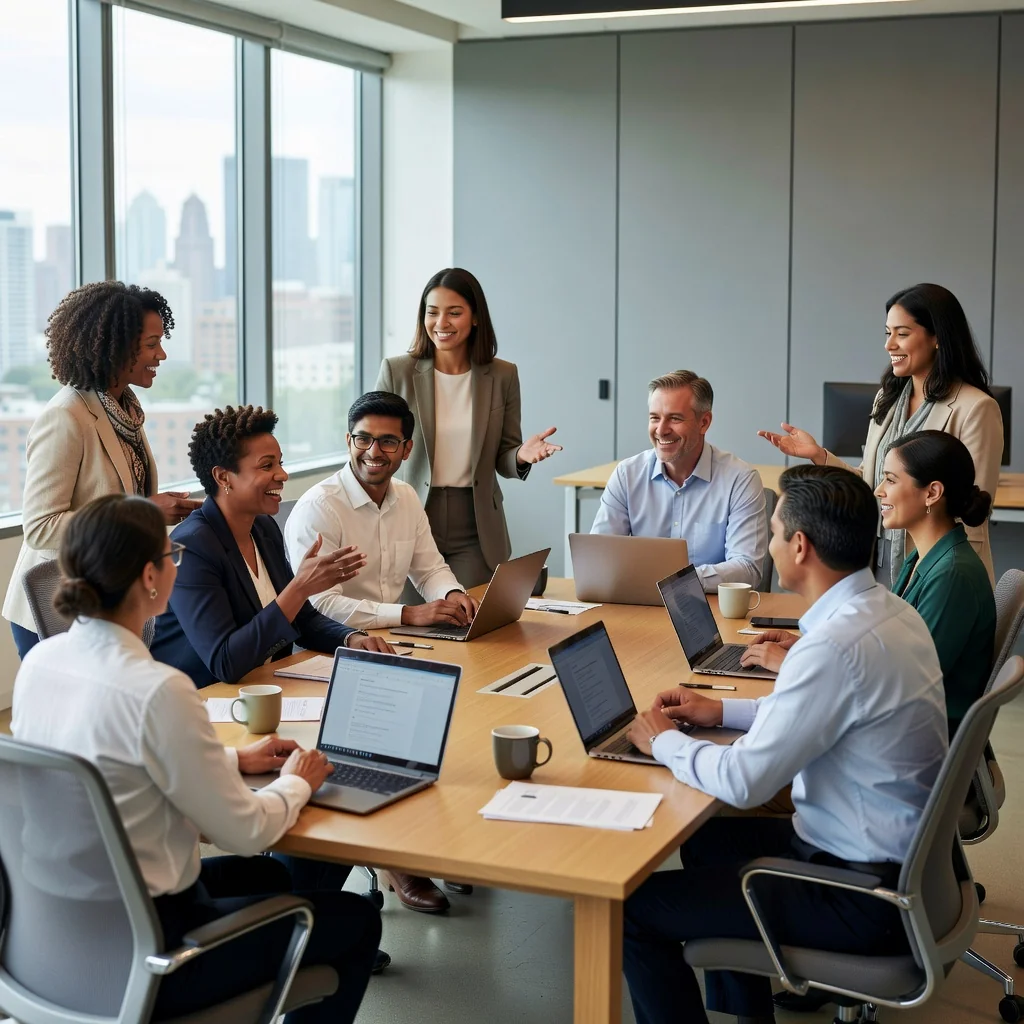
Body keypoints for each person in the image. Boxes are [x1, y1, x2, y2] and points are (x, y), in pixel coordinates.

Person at [11, 494, 380, 1022]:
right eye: (172, 557)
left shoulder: (42, 663)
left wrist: (231, 762)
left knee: (275, 882)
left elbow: (106, 767)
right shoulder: (158, 689)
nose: (177, 567)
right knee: (356, 922)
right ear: (149, 577)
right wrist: (296, 780)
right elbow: (245, 833)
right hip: (153, 953)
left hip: (52, 934)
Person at [621, 465, 948, 1024]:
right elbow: (824, 711)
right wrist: (722, 710)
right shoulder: (891, 613)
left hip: (859, 895)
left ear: (800, 546)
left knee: (629, 912)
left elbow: (746, 782)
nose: (769, 546)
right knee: (706, 841)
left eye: (774, 533)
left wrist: (666, 742)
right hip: (898, 867)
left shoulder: (834, 646)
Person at [284, 390, 476, 914]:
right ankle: (397, 859)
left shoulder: (407, 499)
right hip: (326, 655)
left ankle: (420, 841)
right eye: (364, 438)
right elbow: (316, 604)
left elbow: (430, 566)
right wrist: (409, 615)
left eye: (387, 441)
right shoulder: (321, 507)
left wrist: (451, 596)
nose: (374, 450)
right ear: (348, 441)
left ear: (405, 447)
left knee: (465, 709)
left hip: (387, 648)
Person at [3, 281, 201, 658]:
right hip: (57, 610)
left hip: (107, 601)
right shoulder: (66, 417)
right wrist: (142, 514)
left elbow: (118, 496)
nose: (161, 354)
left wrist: (153, 508)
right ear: (116, 346)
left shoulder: (123, 408)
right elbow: (41, 527)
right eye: (151, 343)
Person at [758, 283, 1003, 585]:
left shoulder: (976, 408)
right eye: (888, 334)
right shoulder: (887, 400)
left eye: (902, 333)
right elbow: (873, 483)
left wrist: (940, 576)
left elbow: (971, 509)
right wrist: (818, 456)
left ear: (937, 337)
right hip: (878, 561)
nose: (889, 345)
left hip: (937, 570)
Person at [151, 405, 393, 689]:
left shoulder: (263, 528)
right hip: (200, 701)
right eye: (267, 466)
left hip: (261, 689)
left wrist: (352, 639)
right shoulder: (190, 547)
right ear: (223, 477)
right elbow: (224, 662)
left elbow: (301, 618)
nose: (282, 475)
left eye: (280, 463)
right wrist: (300, 588)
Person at [375, 267, 562, 589]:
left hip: (475, 526)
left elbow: (504, 455)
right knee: (410, 627)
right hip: (410, 515)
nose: (441, 323)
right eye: (432, 313)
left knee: (468, 622)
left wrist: (520, 456)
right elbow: (373, 443)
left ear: (475, 317)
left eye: (455, 313)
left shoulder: (502, 375)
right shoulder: (397, 372)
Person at [591, 370, 767, 592]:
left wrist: (673, 583)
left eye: (675, 418)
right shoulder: (627, 474)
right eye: (654, 418)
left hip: (708, 613)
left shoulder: (740, 480)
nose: (662, 430)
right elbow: (598, 559)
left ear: (704, 422)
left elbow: (747, 569)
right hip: (639, 607)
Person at [876, 430, 996, 735]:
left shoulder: (952, 574)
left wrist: (809, 666)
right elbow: (889, 648)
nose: (879, 490)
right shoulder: (923, 557)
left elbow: (909, 679)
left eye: (890, 480)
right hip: (903, 723)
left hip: (917, 739)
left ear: (931, 493)